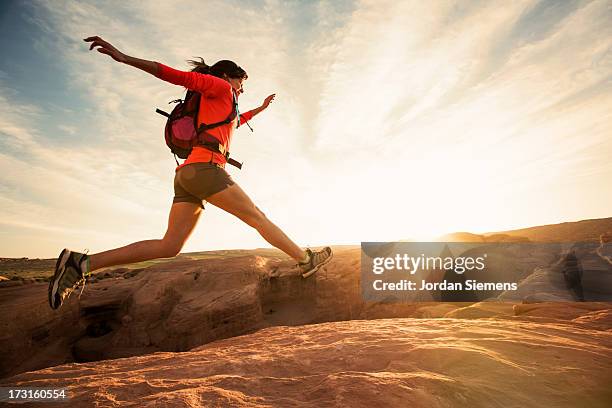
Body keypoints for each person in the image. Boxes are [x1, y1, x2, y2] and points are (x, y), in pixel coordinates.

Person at [48, 36, 333, 310]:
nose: (242, 90)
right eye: (241, 82)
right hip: (205, 170)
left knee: (169, 245)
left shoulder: (222, 103)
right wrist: (123, 58)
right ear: (227, 76)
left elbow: (236, 121)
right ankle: (306, 259)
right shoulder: (218, 87)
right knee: (256, 217)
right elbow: (172, 74)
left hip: (188, 175)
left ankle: (81, 264)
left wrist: (260, 108)